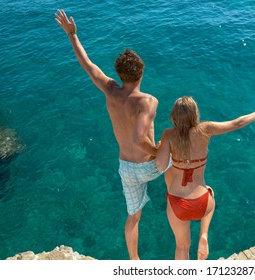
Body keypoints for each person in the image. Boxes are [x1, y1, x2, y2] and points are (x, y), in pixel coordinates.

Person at [55, 9, 166, 260]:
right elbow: (141, 139)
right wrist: (159, 150)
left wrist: (73, 36)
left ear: (119, 74)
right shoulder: (148, 101)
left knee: (133, 217)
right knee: (176, 138)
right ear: (142, 73)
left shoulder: (110, 91)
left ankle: (134, 262)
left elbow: (88, 65)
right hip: (150, 166)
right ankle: (182, 193)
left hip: (126, 168)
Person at [156, 96, 255, 260]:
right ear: (195, 114)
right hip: (202, 202)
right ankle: (203, 234)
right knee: (210, 194)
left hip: (178, 203)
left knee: (182, 247)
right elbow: (237, 123)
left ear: (173, 115)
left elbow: (160, 166)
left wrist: (161, 148)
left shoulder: (168, 135)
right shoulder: (205, 129)